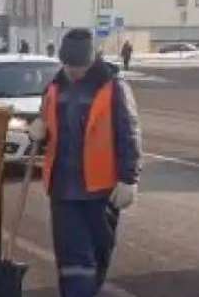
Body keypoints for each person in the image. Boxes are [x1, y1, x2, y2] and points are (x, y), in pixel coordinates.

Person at [27, 29, 141, 297]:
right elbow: (46, 123)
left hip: (102, 190)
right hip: (64, 189)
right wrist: (39, 130)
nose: (75, 72)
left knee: (98, 255)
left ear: (91, 61)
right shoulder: (55, 86)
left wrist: (129, 178)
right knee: (73, 259)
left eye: (80, 67)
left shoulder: (113, 87)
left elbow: (129, 133)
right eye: (70, 66)